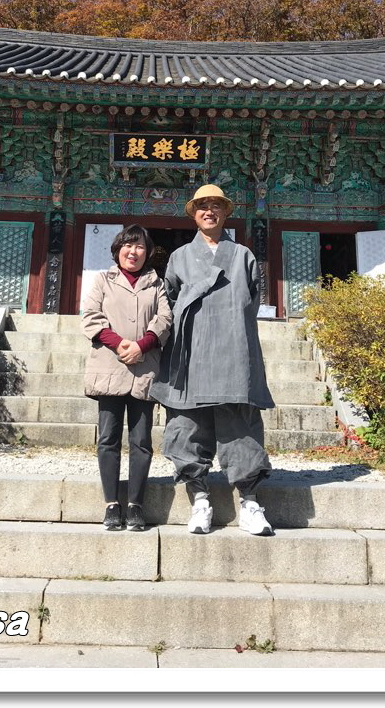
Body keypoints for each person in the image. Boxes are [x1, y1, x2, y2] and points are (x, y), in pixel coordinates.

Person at [150, 185, 275, 536]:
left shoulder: (243, 255)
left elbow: (251, 301)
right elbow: (169, 300)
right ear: (194, 214)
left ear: (225, 213)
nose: (209, 211)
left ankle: (249, 502)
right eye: (202, 206)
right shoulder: (179, 257)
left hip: (233, 349)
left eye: (216, 205)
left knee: (241, 426)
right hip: (190, 351)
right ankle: (200, 499)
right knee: (187, 425)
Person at [82, 225, 173, 531]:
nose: (133, 252)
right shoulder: (102, 280)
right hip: (110, 365)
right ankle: (111, 504)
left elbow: (165, 319)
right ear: (118, 249)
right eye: (128, 245)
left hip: (143, 368)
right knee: (108, 438)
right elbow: (91, 317)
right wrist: (121, 344)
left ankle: (135, 504)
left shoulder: (156, 284)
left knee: (141, 440)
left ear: (148, 253)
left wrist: (142, 345)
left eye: (140, 247)